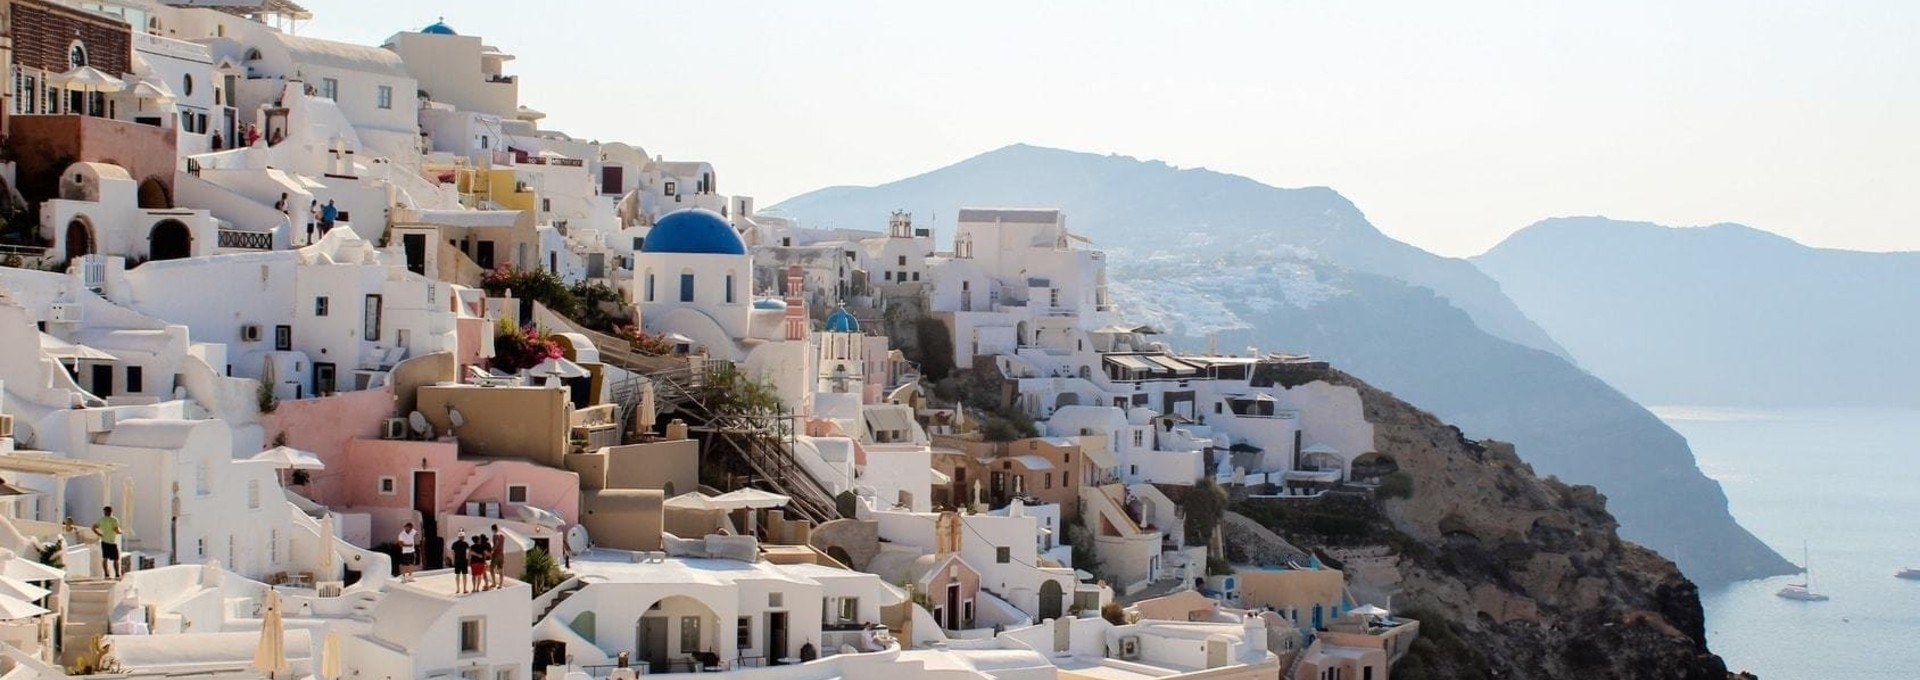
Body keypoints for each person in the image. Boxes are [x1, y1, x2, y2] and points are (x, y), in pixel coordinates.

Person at [93, 506, 121, 579]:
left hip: (104, 541)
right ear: (111, 511)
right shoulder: (114, 520)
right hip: (112, 542)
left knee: (105, 558)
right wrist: (120, 532)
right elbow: (116, 530)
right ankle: (117, 574)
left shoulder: (101, 520)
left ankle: (106, 574)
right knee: (116, 559)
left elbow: (93, 527)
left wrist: (99, 534)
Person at [489, 524, 506, 589]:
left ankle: (494, 583)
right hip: (502, 554)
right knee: (501, 569)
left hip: (496, 554)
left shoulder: (495, 535)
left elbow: (496, 544)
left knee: (491, 568)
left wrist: (491, 550)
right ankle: (500, 584)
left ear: (492, 529)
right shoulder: (503, 535)